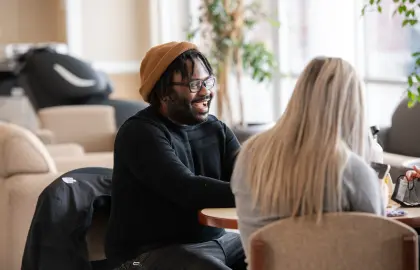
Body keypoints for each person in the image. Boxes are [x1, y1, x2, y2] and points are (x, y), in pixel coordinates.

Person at [105, 41, 246, 270]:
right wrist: (262, 192)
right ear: (163, 91)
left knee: (278, 248)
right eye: (194, 84)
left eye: (207, 81)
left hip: (216, 241)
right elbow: (187, 190)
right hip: (149, 253)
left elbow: (247, 174)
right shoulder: (140, 133)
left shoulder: (216, 129)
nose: (205, 92)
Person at [230, 57, 388, 256]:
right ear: (352, 107)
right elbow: (379, 248)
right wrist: (378, 197)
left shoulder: (248, 155)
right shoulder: (351, 170)